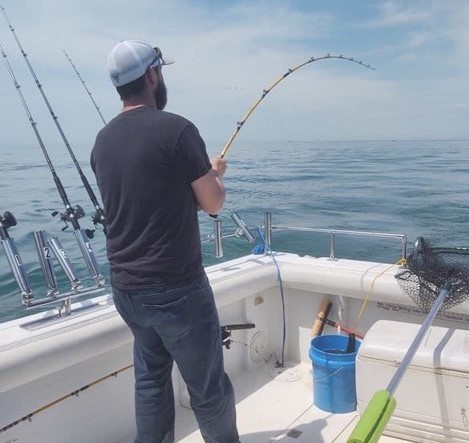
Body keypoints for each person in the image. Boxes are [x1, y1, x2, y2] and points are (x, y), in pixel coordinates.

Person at [91, 39, 240, 443]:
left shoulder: (102, 142)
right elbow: (212, 204)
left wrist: (200, 174)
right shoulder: (177, 129)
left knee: (151, 382)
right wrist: (214, 175)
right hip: (177, 290)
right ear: (152, 75)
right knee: (208, 390)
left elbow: (151, 201)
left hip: (127, 291)